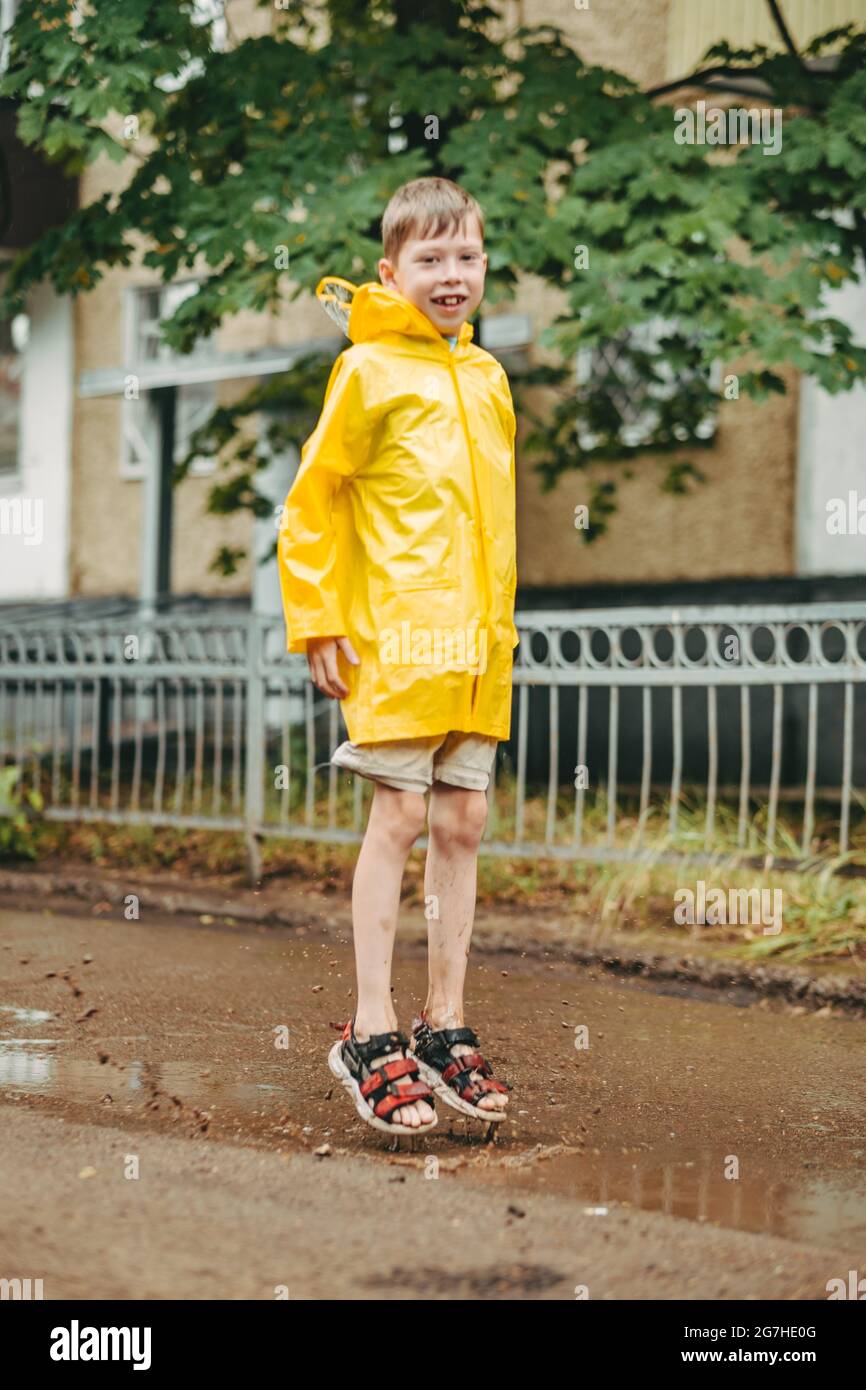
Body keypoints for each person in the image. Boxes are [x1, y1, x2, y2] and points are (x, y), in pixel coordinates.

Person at [278, 176, 518, 1135]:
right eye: (430, 259)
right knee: (403, 815)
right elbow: (314, 500)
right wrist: (319, 617)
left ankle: (443, 1024)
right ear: (393, 271)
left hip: (476, 650)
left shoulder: (489, 378)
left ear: (484, 266)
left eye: (466, 256)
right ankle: (370, 1030)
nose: (450, 274)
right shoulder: (367, 371)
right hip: (394, 641)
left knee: (463, 821)